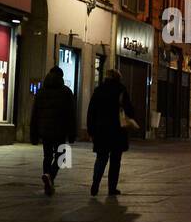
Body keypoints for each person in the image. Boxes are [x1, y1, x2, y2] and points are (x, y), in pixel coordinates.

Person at [87, 68, 135, 196]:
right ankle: (112, 188)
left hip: (101, 130)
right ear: (118, 78)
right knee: (115, 160)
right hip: (117, 131)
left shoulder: (98, 90)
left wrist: (91, 130)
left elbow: (91, 111)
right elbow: (129, 109)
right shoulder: (121, 90)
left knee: (101, 158)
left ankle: (95, 185)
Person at [30, 66, 77, 196]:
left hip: (45, 130)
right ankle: (50, 176)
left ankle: (47, 176)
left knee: (47, 156)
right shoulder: (66, 92)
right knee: (62, 156)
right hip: (60, 130)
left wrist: (33, 133)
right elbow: (71, 114)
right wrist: (72, 133)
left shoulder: (41, 92)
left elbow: (34, 114)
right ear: (61, 77)